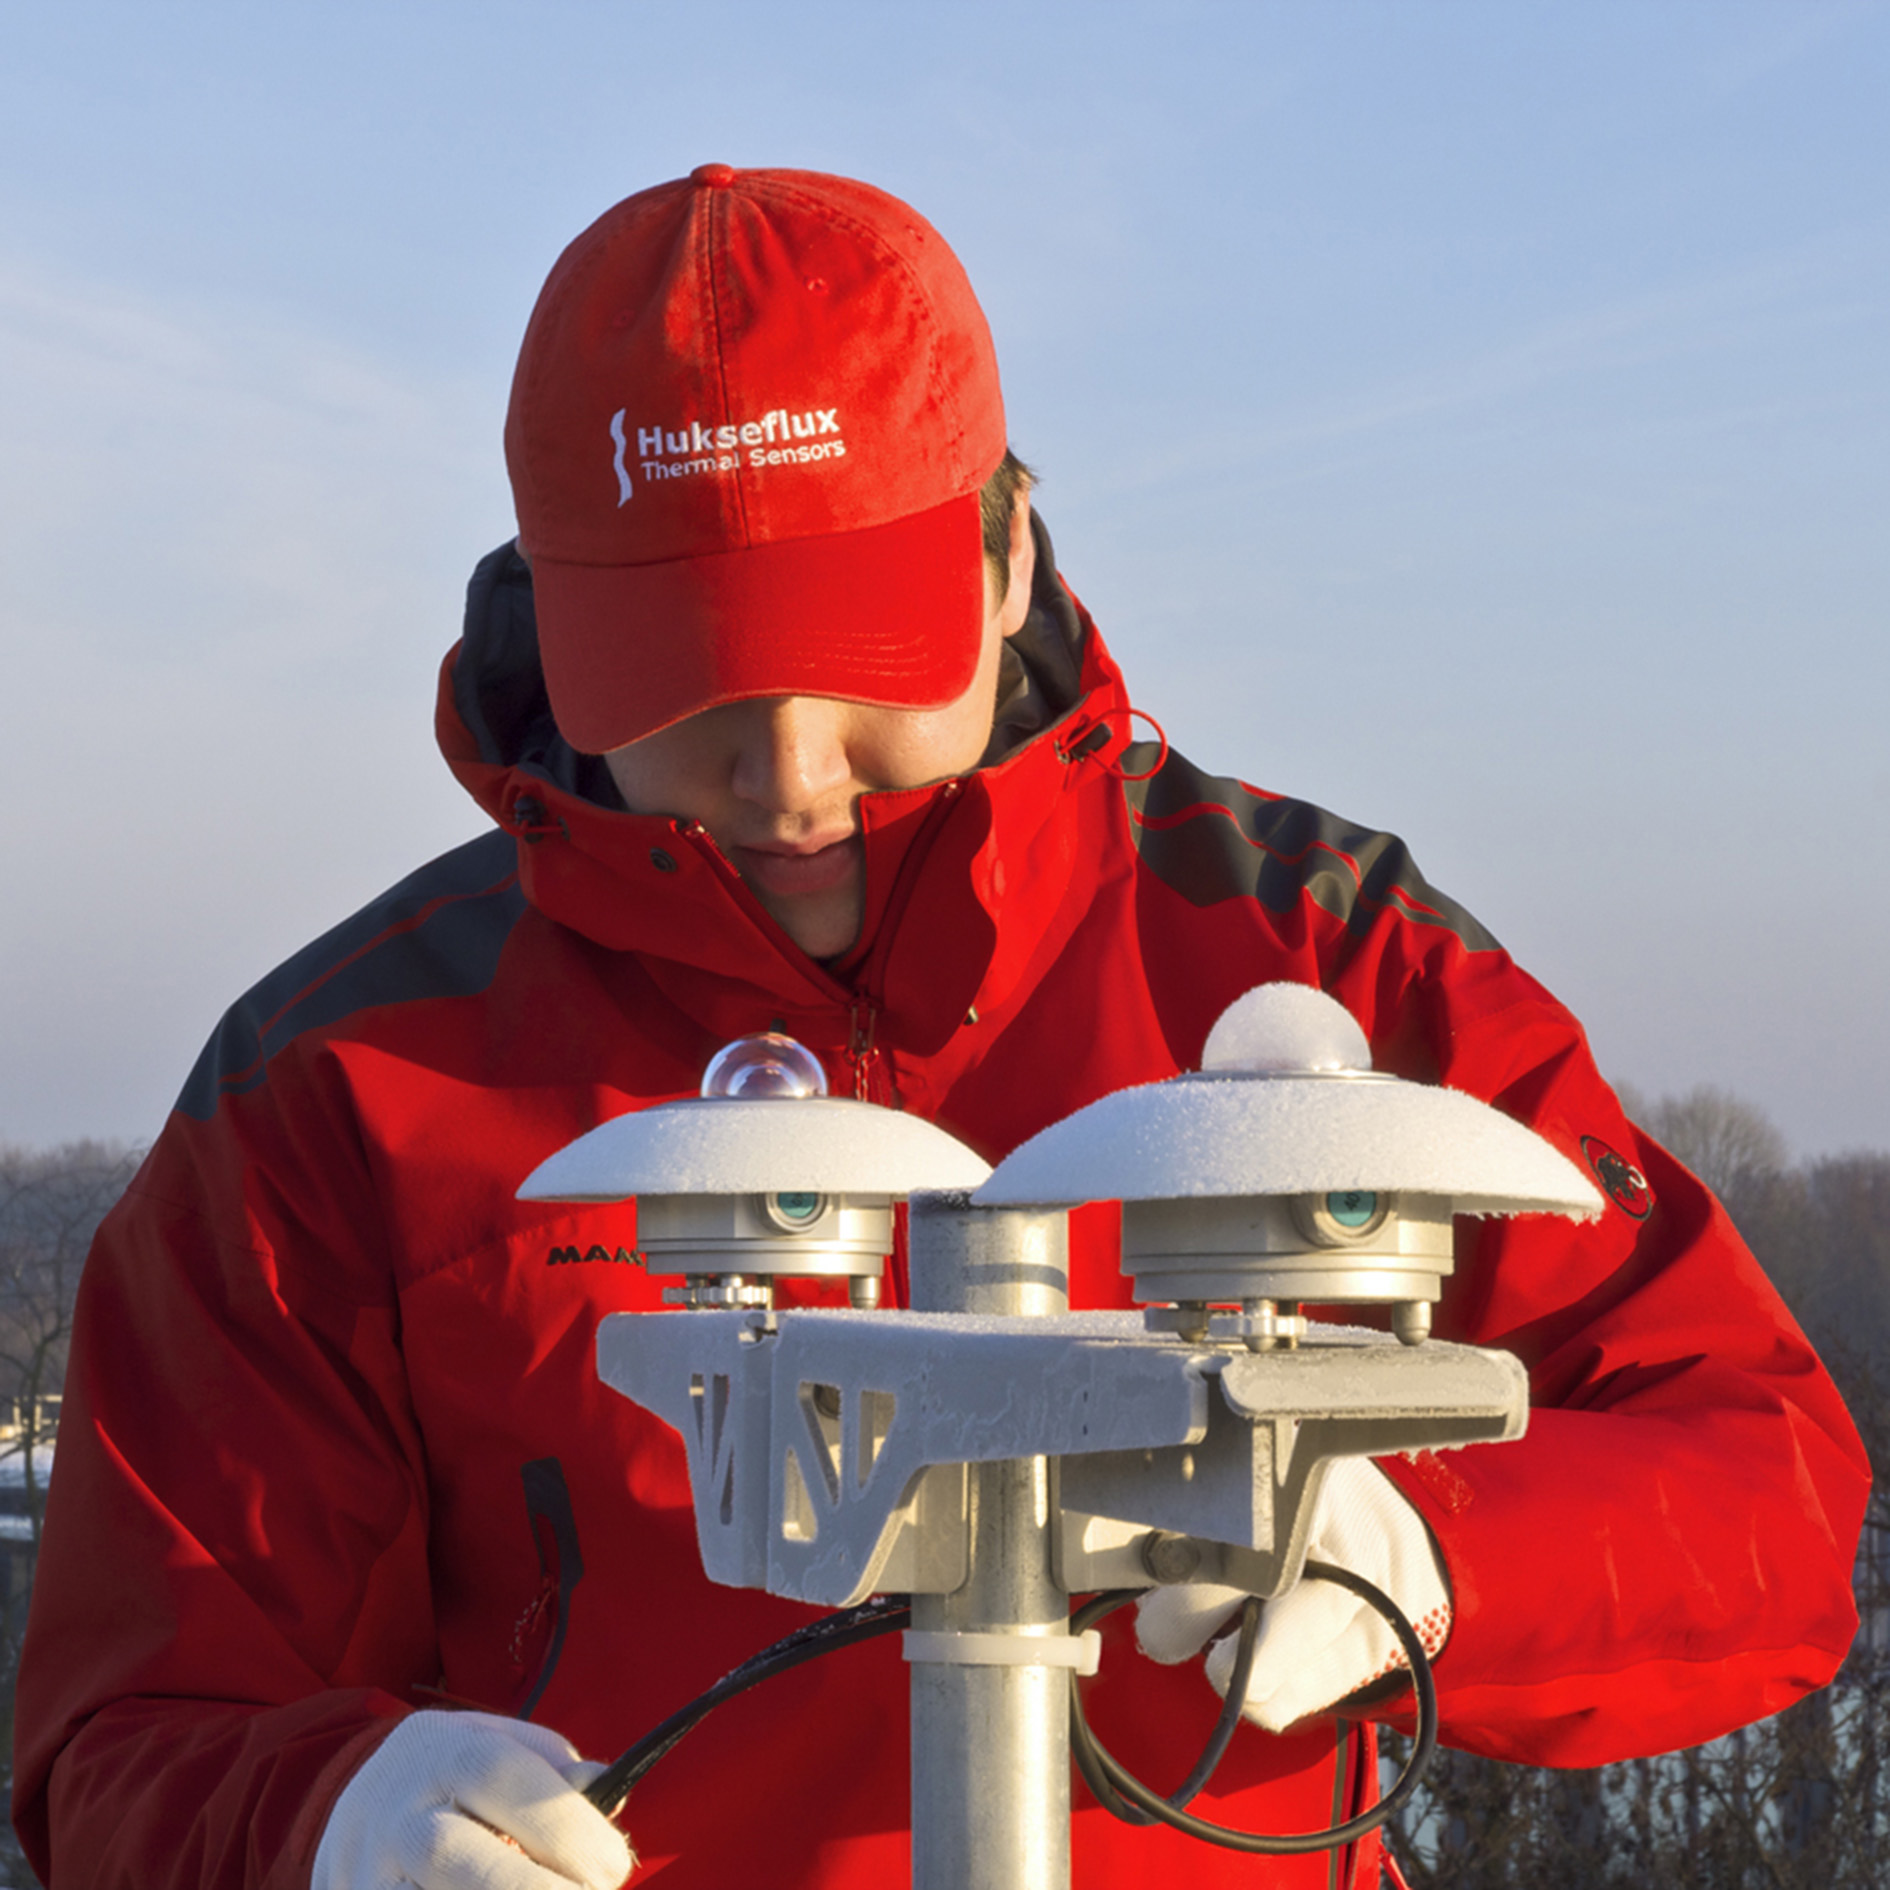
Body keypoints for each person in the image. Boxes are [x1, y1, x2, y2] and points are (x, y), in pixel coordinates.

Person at [13, 165, 1868, 1890]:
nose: (790, 777)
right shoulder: (344, 1086)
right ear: (550, 626)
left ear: (1003, 559)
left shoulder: (1315, 956)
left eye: (865, 662)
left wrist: (1443, 1549)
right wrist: (316, 1821)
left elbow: (1768, 1495)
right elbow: (125, 1727)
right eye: (689, 687)